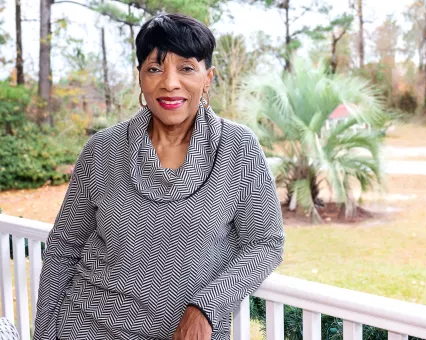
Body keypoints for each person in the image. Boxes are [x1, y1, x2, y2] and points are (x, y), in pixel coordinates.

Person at [32, 13, 285, 340]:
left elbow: (266, 243)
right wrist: (43, 334)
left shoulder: (238, 148)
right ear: (140, 77)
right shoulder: (102, 149)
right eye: (154, 68)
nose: (169, 82)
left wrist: (206, 307)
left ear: (208, 78)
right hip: (84, 326)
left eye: (186, 68)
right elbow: (64, 248)